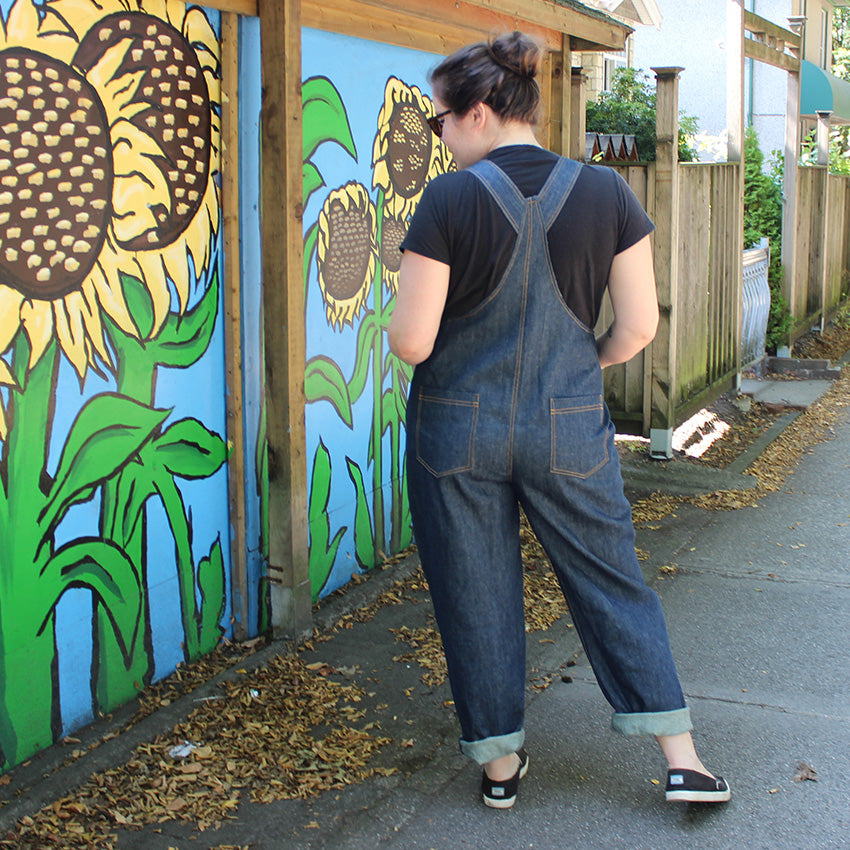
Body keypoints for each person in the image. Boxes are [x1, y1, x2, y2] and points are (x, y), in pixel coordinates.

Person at [387, 31, 730, 810]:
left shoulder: (446, 201)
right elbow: (638, 328)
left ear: (477, 113)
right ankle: (682, 758)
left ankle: (501, 767)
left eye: (441, 122)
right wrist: (581, 369)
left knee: (475, 591)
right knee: (611, 578)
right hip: (567, 423)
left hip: (456, 431)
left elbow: (412, 342)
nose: (440, 139)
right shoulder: (607, 194)